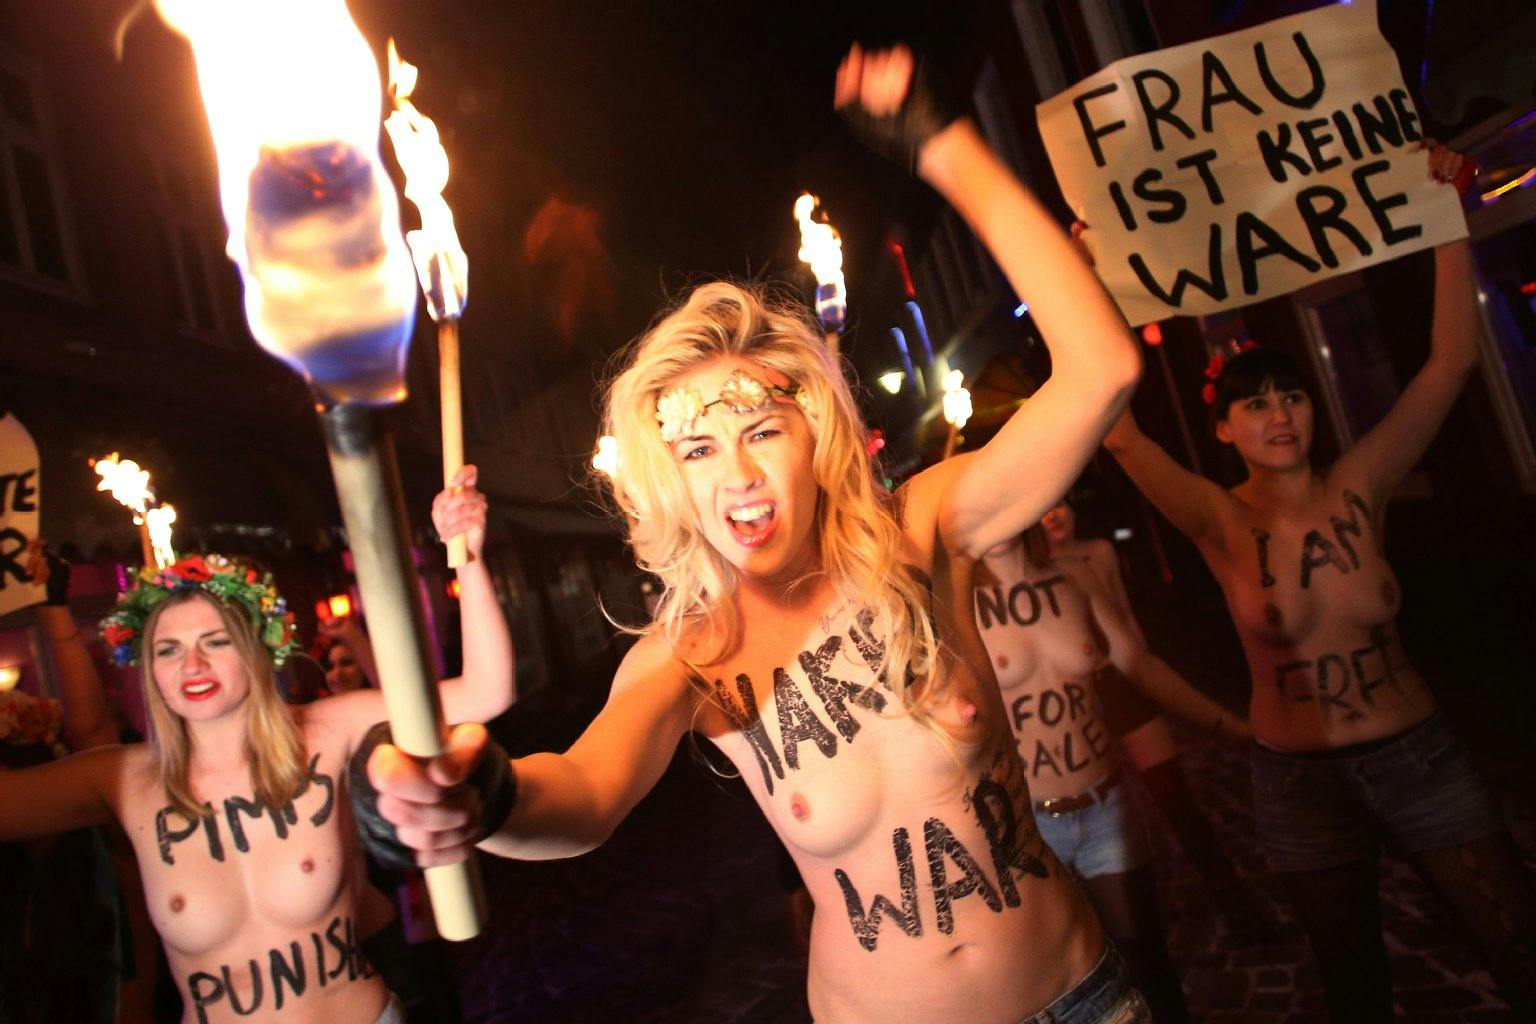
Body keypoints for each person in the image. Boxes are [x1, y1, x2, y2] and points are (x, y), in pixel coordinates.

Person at [355, 45, 1151, 1024]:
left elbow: (1103, 371)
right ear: (672, 482)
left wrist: (941, 145)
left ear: (812, 439)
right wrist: (484, 798)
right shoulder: (690, 653)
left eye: (761, 431)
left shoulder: (925, 529)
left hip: (1081, 997)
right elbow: (584, 793)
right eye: (697, 450)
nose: (735, 472)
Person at [1097, 145, 1536, 1019]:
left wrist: (1449, 216)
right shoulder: (1215, 517)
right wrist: (1092, 278)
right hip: (1299, 785)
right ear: (1223, 429)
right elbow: (1117, 431)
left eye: (1291, 397)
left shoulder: (1363, 480)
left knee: (1520, 951)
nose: (1280, 415)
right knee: (1354, 989)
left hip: (1420, 758)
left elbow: (1450, 361)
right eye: (1255, 403)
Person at [0, 467, 513, 1024]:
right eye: (168, 650)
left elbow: (484, 691)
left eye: (215, 641)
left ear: (254, 650)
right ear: (148, 669)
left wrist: (468, 556)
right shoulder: (122, 778)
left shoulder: (326, 729)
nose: (192, 664)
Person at [976, 503, 1247, 1022]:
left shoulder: (1073, 580)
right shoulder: (955, 606)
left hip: (1106, 809)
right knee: (1066, 981)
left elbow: (1139, 665)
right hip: (1030, 828)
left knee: (1147, 957)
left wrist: (1231, 728)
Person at [1038, 499, 1272, 939]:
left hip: (1122, 678)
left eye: (1060, 504)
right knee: (1102, 805)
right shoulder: (1035, 577)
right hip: (1078, 697)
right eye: (1043, 510)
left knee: (1173, 793)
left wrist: (1147, 670)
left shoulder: (1098, 553)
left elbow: (1125, 620)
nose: (1054, 515)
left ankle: (1231, 896)